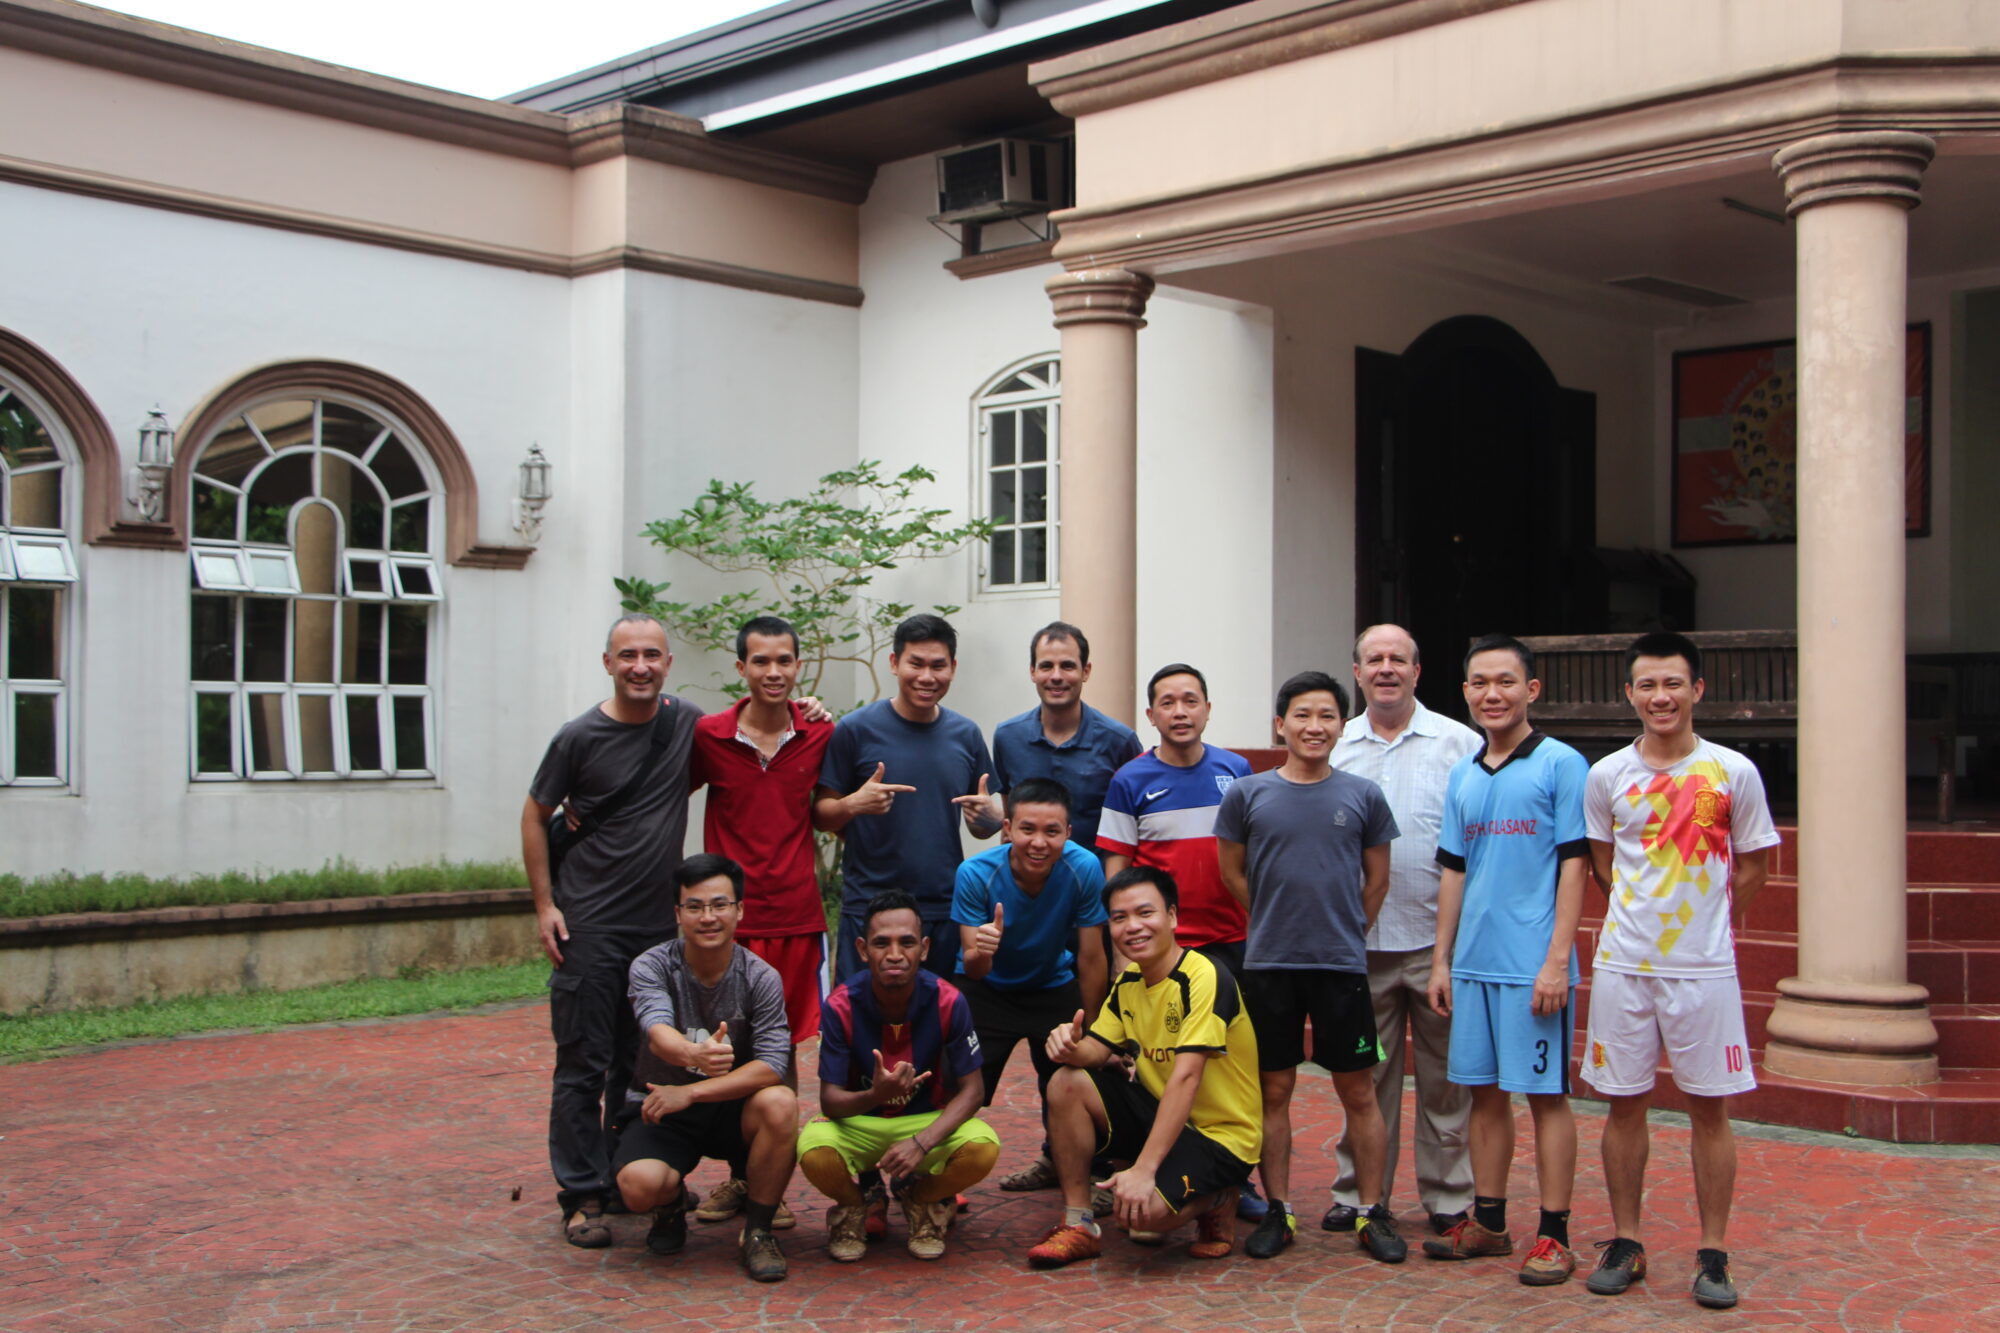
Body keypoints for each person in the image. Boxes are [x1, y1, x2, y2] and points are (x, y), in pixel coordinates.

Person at [1579, 632, 1779, 1311]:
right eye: (1646, 684)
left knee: (1709, 1107)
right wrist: (1642, 917)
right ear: (1629, 693)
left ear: (1696, 689)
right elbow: (1603, 861)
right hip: (1624, 963)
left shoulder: (1732, 772)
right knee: (1623, 1102)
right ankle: (1626, 1241)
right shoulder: (1607, 775)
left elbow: (1754, 865)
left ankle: (1713, 1252)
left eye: (1672, 683)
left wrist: (1707, 923)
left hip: (1704, 968)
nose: (1659, 696)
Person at [522, 614, 702, 1250]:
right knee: (582, 1063)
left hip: (656, 930)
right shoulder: (579, 736)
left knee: (640, 1062)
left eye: (652, 655)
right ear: (608, 663)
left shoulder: (685, 724)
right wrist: (544, 905)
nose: (640, 666)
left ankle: (625, 1177)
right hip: (590, 927)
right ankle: (581, 1194)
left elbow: (748, 736)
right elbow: (535, 814)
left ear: (668, 663)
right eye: (628, 655)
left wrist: (806, 709)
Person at [1216, 671, 1404, 1264]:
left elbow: (1377, 881)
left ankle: (1371, 1210)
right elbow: (1231, 872)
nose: (1314, 726)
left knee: (1359, 1090)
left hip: (1340, 965)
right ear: (1281, 725)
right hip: (1268, 964)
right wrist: (1273, 918)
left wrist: (1345, 930)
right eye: (1302, 715)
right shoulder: (1247, 794)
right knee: (1274, 1089)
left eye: (1326, 716)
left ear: (1342, 726)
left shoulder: (1363, 796)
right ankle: (1279, 1208)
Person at [1067, 661, 1265, 1218]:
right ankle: (1161, 1161)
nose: (1180, 712)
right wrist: (1120, 950)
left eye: (1190, 701)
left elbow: (1250, 855)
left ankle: (1234, 1175)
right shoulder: (1130, 779)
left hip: (1229, 942)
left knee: (1228, 1065)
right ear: (1151, 715)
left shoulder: (1236, 771)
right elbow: (1117, 870)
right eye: (1168, 703)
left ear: (1208, 709)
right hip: (1160, 951)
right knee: (1166, 1063)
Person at [1422, 634, 1588, 1287]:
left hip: (1532, 966)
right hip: (1473, 963)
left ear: (1531, 689)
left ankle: (1555, 1234)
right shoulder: (1464, 772)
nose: (1492, 694)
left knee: (1545, 1097)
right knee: (1483, 1096)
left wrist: (1557, 960)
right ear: (1465, 691)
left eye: (1506, 682)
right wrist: (1442, 960)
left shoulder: (1561, 764)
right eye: (1480, 683)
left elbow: (1574, 864)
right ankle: (1489, 1222)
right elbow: (1454, 871)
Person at [1324, 625, 1481, 1237]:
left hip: (1438, 946)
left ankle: (1448, 1197)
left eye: (1398, 659)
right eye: (1374, 659)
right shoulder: (1335, 745)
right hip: (1360, 947)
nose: (1386, 668)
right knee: (1365, 1081)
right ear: (1357, 672)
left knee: (1446, 1083)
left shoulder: (1459, 744)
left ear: (1417, 671)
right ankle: (1360, 1192)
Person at [1026, 867, 1262, 1269]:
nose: (1132, 926)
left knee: (1141, 1216)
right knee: (1065, 1081)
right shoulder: (1130, 980)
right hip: (1163, 1118)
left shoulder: (1203, 977)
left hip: (1220, 1136)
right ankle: (1079, 1224)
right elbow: (1096, 1051)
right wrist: (1069, 1047)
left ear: (1172, 917)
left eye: (1145, 913)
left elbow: (1187, 1077)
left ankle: (1220, 1197)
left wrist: (1145, 1169)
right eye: (1119, 918)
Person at [683, 615, 832, 1231]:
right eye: (761, 661)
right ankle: (740, 1175)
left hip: (796, 917)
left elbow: (831, 806)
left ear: (799, 665)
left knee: (783, 1050)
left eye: (784, 661)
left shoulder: (820, 732)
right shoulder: (709, 735)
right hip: (728, 924)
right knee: (723, 1046)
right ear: (741, 668)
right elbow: (662, 791)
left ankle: (769, 1184)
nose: (774, 672)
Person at [613, 855, 798, 1283]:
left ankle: (759, 1231)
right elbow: (656, 1030)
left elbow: (773, 1064)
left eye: (719, 905)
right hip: (662, 1104)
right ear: (678, 914)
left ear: (740, 910)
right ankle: (670, 1204)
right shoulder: (652, 965)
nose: (708, 917)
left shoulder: (761, 977)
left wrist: (693, 1090)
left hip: (732, 1107)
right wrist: (691, 1055)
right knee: (638, 1187)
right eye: (694, 906)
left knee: (781, 1103)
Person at [800, 891, 1000, 1262]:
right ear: (863, 950)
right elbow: (830, 1102)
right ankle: (855, 1205)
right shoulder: (841, 1005)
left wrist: (921, 1143)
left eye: (907, 943)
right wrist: (876, 1095)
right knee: (813, 1148)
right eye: (881, 943)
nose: (895, 954)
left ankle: (920, 1200)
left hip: (924, 1122)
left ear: (924, 948)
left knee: (983, 1146)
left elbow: (973, 1092)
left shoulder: (948, 1000)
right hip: (861, 1125)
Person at [814, 613, 1000, 983]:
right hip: (869, 906)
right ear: (894, 663)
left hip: (941, 907)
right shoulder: (855, 729)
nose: (927, 677)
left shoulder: (965, 734)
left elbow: (983, 826)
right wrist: (854, 804)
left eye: (938, 666)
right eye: (916, 663)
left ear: (953, 668)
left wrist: (990, 817)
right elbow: (821, 814)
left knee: (938, 1012)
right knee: (858, 1012)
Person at [952, 778, 1108, 1178]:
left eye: (1052, 831)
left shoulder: (1084, 867)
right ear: (1007, 829)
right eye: (1027, 829)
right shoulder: (975, 873)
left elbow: (1092, 956)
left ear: (1068, 833)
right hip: (986, 989)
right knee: (959, 1084)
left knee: (1075, 1079)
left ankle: (1074, 1167)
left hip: (1052, 984)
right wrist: (984, 950)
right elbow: (973, 966)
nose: (1039, 842)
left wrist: (1095, 1030)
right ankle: (942, 1176)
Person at [990, 622, 1143, 861]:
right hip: (1027, 878)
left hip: (1096, 880)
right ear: (1032, 671)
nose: (1056, 676)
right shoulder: (1008, 737)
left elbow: (1134, 825)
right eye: (1046, 666)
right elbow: (1011, 823)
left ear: (1086, 671)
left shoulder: (1120, 742)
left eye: (1067, 666)